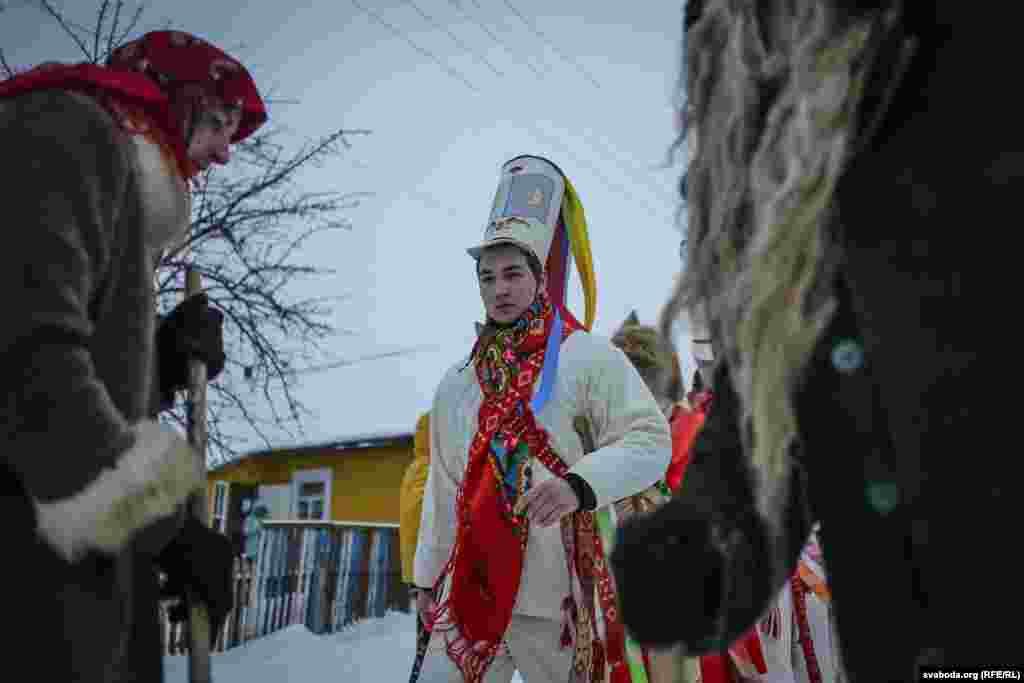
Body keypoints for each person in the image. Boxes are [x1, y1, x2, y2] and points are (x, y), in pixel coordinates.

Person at [0, 29, 267, 681]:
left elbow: (75, 355)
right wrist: (166, 523)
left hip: (69, 592)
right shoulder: (67, 132)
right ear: (169, 100)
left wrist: (162, 361)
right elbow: (31, 371)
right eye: (216, 121)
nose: (226, 153)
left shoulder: (107, 179)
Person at [412, 155, 671, 683]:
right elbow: (444, 486)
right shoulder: (456, 384)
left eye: (512, 273)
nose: (499, 288)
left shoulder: (587, 358)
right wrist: (425, 577)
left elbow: (651, 441)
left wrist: (579, 485)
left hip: (558, 597)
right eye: (487, 277)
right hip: (467, 592)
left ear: (540, 277)